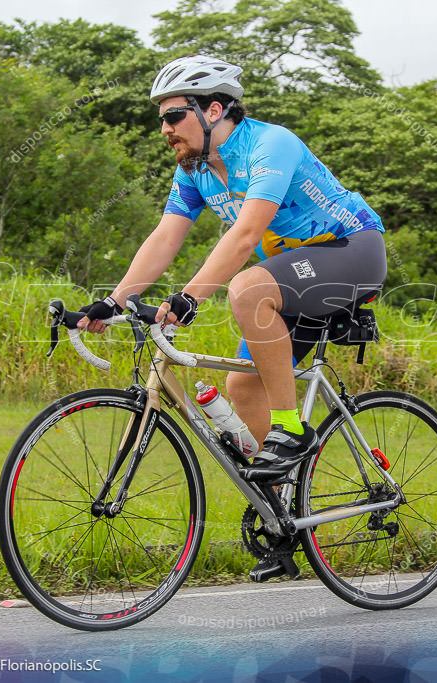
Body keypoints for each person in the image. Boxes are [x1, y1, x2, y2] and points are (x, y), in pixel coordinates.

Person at [78, 54, 387, 484]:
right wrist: (114, 301)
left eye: (173, 115)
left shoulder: (269, 145)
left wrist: (188, 298)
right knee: (242, 387)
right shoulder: (194, 170)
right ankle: (282, 516)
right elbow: (166, 237)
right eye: (161, 119)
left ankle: (292, 427)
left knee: (246, 288)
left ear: (213, 110)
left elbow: (245, 235)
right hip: (294, 273)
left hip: (352, 249)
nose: (165, 128)